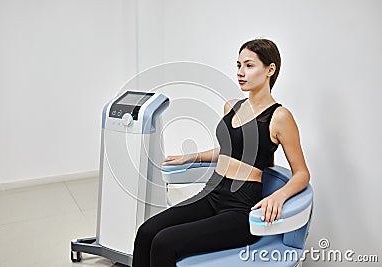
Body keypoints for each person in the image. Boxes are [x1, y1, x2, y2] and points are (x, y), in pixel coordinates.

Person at [132, 39, 310, 267]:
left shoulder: (279, 116)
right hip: (212, 193)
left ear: (270, 69)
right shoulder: (232, 106)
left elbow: (302, 173)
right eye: (238, 66)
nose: (241, 72)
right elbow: (230, 151)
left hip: (240, 208)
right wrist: (194, 156)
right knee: (147, 231)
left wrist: (278, 196)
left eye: (249, 65)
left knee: (165, 243)